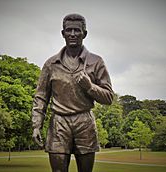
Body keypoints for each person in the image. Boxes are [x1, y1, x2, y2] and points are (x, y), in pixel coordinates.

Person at [32, 13, 113, 172]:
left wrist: (90, 87)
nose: (73, 34)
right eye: (69, 30)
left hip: (84, 122)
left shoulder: (96, 62)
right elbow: (41, 97)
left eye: (77, 30)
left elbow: (109, 97)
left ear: (85, 33)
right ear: (63, 33)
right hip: (59, 123)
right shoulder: (51, 64)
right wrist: (36, 125)